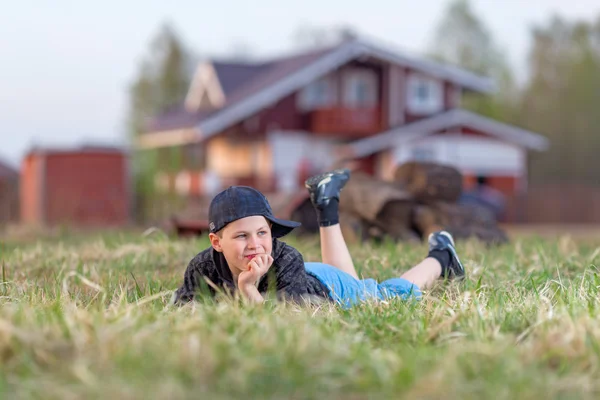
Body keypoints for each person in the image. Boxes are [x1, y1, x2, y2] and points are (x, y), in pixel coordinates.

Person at [171, 169, 465, 308]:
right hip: (314, 275)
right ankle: (327, 204)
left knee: (387, 295)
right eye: (241, 236)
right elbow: (180, 310)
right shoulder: (202, 268)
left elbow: (284, 323)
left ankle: (441, 257)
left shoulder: (286, 259)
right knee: (349, 276)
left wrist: (247, 288)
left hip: (329, 288)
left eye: (262, 233)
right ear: (216, 242)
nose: (255, 244)